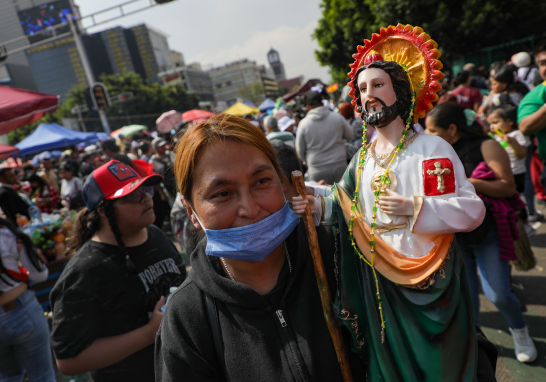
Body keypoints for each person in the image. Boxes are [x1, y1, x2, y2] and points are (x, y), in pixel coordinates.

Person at [294, 24, 497, 380]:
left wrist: (416, 208)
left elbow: (471, 210)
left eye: (377, 85)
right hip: (378, 281)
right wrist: (316, 202)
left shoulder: (431, 151)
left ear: (400, 91)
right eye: (362, 89)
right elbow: (347, 204)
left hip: (431, 280)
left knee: (441, 366)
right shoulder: (362, 158)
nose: (368, 94)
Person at [155, 113, 367, 381]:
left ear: (282, 183)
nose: (251, 209)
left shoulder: (342, 254)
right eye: (222, 194)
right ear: (191, 211)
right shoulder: (188, 317)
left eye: (261, 182)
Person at [50, 160, 186, 382]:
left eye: (146, 189)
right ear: (104, 210)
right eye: (131, 195)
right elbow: (68, 360)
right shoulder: (86, 271)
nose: (146, 198)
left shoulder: (155, 234)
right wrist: (148, 334)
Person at [425, 102, 537, 363]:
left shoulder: (486, 145)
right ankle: (477, 345)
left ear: (452, 129)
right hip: (453, 235)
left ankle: (519, 329)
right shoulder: (431, 153)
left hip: (488, 232)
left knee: (498, 293)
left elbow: (508, 187)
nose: (427, 136)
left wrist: (467, 183)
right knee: (467, 297)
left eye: (433, 130)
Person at [0, 217, 54, 382]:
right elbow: (39, 275)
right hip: (21, 309)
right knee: (42, 376)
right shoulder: (7, 235)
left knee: (8, 377)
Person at [295, 90, 353, 183]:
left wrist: (308, 162)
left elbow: (300, 150)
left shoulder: (303, 124)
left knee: (320, 197)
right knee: (343, 196)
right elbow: (350, 135)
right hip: (339, 165)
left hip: (316, 168)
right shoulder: (337, 117)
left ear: (308, 107)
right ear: (322, 103)